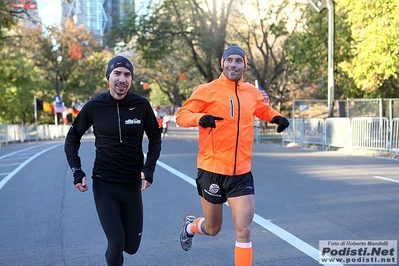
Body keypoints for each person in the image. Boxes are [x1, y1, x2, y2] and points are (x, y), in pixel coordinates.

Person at [175, 44, 289, 266]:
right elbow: (182, 115)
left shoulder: (251, 92)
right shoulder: (207, 90)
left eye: (238, 61)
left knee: (243, 231)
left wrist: (276, 116)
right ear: (222, 63)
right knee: (213, 228)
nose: (233, 64)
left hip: (241, 173)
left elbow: (261, 109)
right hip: (212, 171)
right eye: (229, 60)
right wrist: (200, 118)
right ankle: (190, 227)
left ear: (245, 65)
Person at [64, 55, 162, 266]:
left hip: (131, 184)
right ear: (108, 77)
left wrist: (149, 168)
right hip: (104, 183)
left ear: (131, 79)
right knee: (116, 242)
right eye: (117, 73)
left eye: (127, 75)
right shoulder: (94, 107)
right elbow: (72, 138)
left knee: (131, 247)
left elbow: (155, 137)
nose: (122, 79)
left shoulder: (141, 105)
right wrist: (76, 170)